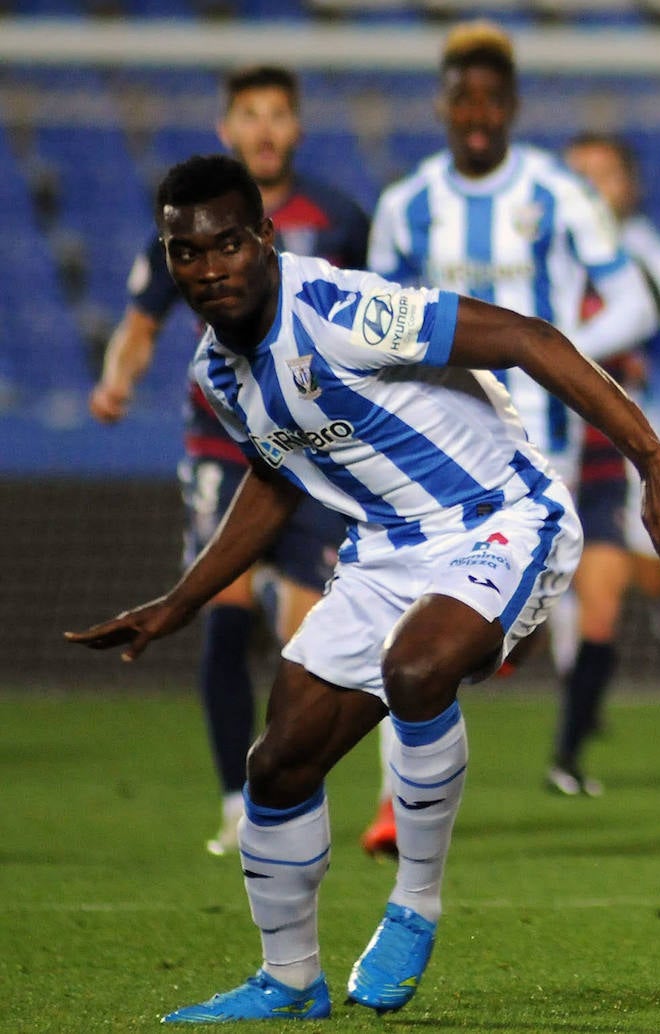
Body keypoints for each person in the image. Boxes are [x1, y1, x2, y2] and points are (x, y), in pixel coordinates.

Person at [66, 154, 660, 1023]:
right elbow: (278, 476)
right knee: (277, 764)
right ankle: (289, 981)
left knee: (417, 670)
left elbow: (525, 337)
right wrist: (181, 600)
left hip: (499, 516)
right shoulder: (217, 373)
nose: (208, 269)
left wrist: (652, 456)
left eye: (227, 245)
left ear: (265, 240)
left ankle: (416, 903)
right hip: (385, 551)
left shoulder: (336, 309)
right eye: (185, 253)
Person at [87, 64, 379, 859]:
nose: (264, 128)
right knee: (223, 609)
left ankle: (288, 787)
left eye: (278, 113)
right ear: (228, 128)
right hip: (222, 440)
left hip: (313, 446)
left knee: (309, 638)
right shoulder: (181, 229)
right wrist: (117, 379)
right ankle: (234, 803)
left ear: (297, 128)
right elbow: (142, 319)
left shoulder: (341, 218)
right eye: (249, 114)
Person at [367, 21, 658, 795]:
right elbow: (372, 316)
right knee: (411, 618)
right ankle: (398, 797)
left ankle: (560, 750)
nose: (477, 115)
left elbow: (633, 302)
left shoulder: (559, 195)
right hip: (431, 444)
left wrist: (554, 353)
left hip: (542, 442)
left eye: (492, 101)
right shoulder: (406, 206)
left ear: (514, 107)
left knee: (533, 619)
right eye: (463, 99)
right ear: (442, 105)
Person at [552, 132, 660, 793]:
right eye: (579, 175)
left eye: (605, 175)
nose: (592, 189)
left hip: (604, 443)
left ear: (629, 186)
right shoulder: (533, 253)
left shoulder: (645, 264)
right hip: (527, 438)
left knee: (602, 596)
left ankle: (567, 755)